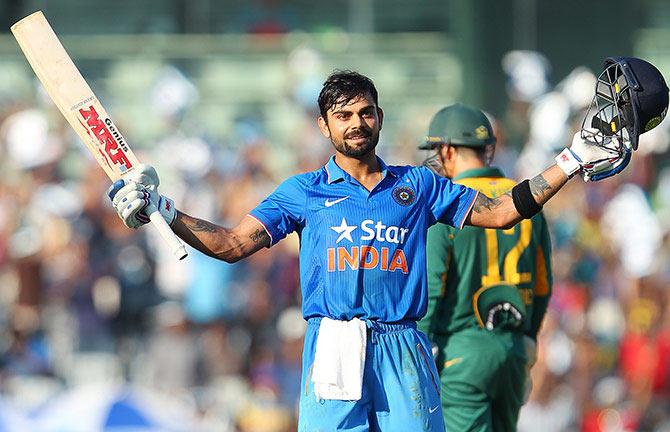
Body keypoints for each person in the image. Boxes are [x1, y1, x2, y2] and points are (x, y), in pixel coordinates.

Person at [107, 61, 661, 431]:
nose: (356, 123)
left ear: (379, 117)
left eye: (365, 112)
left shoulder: (416, 185)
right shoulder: (303, 191)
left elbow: (499, 212)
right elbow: (230, 245)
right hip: (335, 344)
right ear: (325, 126)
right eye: (343, 115)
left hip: (404, 345)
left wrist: (569, 159)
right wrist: (166, 211)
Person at [417, 103, 552, 432]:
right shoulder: (523, 200)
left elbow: (432, 288)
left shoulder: (447, 201)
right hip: (514, 349)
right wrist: (527, 340)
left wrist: (420, 352)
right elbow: (543, 285)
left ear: (448, 150)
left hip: (462, 352)